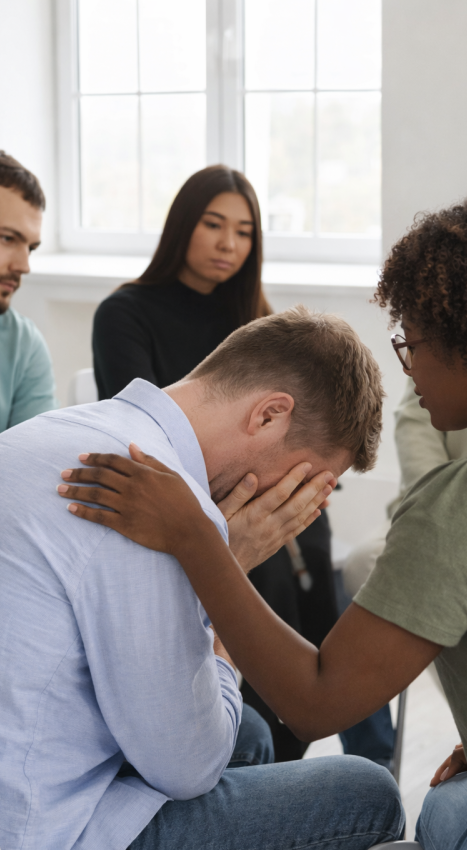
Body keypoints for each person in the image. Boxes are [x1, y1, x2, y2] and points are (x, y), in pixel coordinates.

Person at [67, 197, 467, 850]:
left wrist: (200, 538)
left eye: (408, 341)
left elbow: (316, 703)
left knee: (411, 806)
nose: (406, 367)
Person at [0, 307, 403, 850]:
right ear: (268, 415)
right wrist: (224, 573)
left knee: (251, 736)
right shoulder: (153, 499)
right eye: (301, 480)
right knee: (367, 803)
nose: (293, 507)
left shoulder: (63, 432)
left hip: (13, 810)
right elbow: (188, 767)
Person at [93, 164, 339, 762]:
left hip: (252, 486)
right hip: (187, 492)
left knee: (313, 530)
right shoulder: (124, 312)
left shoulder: (258, 319)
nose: (229, 244)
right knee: (273, 564)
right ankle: (257, 739)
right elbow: (144, 434)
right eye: (214, 225)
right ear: (183, 226)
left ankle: (311, 721)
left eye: (245, 231)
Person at [343, 134, 467, 597]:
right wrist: (445, 504)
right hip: (450, 496)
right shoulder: (455, 305)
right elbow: (415, 418)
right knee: (363, 563)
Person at [0, 148, 57, 437]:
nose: (24, 265)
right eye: (7, 238)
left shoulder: (24, 345)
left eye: (30, 247)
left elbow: (30, 470)